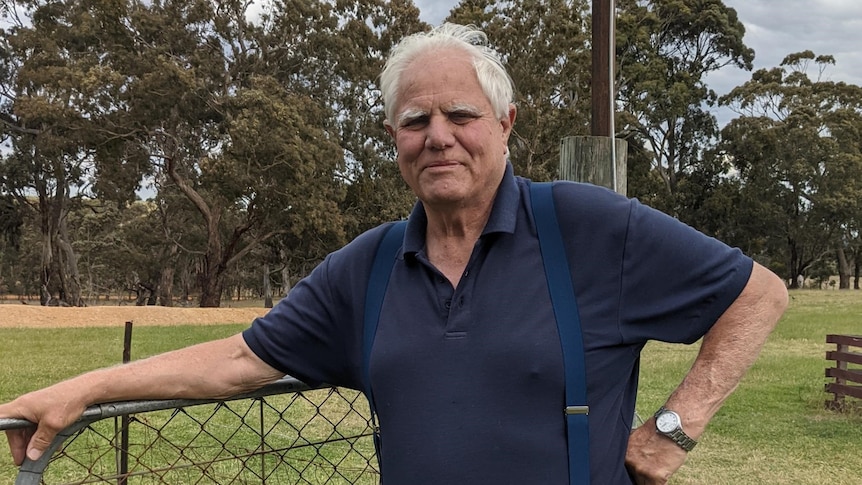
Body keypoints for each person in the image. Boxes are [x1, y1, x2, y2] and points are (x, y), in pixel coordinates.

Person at [1, 23, 787, 485]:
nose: (437, 135)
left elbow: (759, 295)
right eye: (415, 120)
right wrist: (88, 385)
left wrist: (670, 429)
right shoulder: (366, 267)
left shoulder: (586, 227)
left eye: (460, 114)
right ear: (392, 139)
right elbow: (241, 359)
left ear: (506, 123)